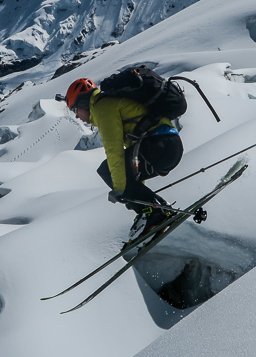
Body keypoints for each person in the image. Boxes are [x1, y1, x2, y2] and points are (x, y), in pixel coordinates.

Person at [64, 77, 184, 242]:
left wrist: (121, 189)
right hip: (170, 147)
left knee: (106, 170)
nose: (77, 116)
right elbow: (133, 166)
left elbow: (114, 151)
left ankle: (154, 213)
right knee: (124, 178)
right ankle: (154, 211)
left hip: (160, 145)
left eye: (75, 109)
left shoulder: (102, 108)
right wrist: (131, 193)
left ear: (84, 103)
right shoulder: (109, 103)